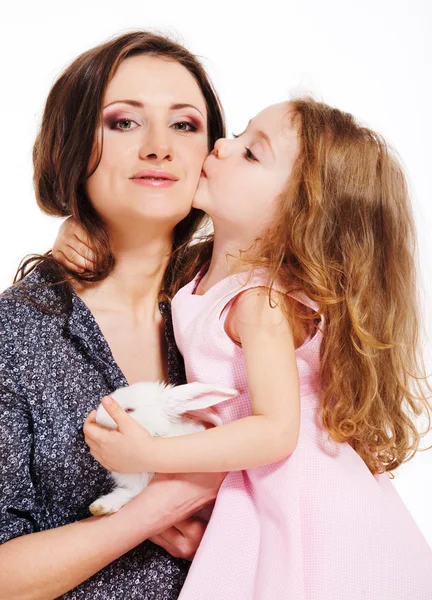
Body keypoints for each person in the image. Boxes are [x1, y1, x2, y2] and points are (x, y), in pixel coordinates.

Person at [59, 99, 432, 599]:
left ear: (299, 213)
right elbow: (135, 264)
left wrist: (152, 451)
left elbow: (276, 432)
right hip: (260, 491)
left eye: (252, 153)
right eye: (238, 134)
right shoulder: (196, 271)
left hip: (306, 503)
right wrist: (75, 233)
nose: (221, 144)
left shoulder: (260, 302)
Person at [0, 30, 227, 599]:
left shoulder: (238, 313)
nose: (159, 147)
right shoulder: (16, 334)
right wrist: (152, 512)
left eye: (185, 124)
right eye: (123, 122)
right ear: (73, 145)